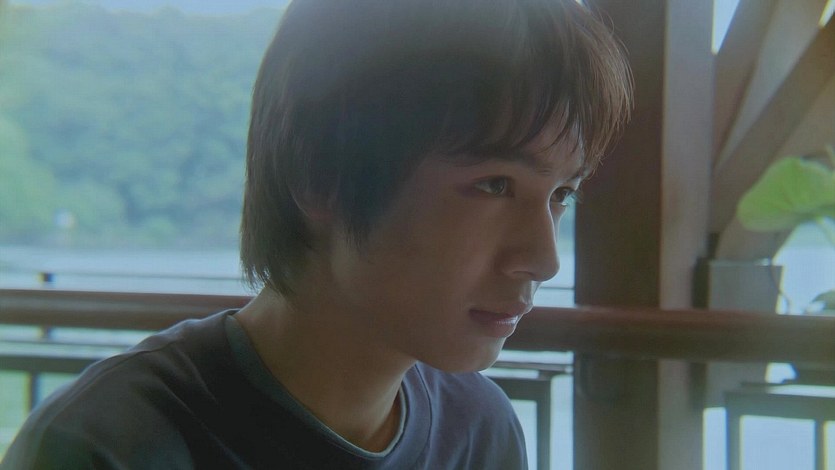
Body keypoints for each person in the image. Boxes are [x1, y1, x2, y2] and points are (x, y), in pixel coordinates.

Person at [2, 0, 631, 468]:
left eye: (561, 194)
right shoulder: (112, 445)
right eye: (494, 185)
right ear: (320, 177)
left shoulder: (480, 430)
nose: (543, 259)